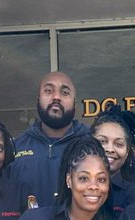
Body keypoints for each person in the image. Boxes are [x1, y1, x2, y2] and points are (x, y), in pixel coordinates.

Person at [9, 71, 90, 206]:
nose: (56, 97)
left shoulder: (91, 144)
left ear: (75, 104)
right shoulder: (16, 148)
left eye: (65, 93)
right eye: (48, 91)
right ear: (38, 100)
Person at [92, 107, 135, 216]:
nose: (110, 149)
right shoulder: (75, 189)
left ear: (127, 151)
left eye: (119, 144)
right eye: (102, 141)